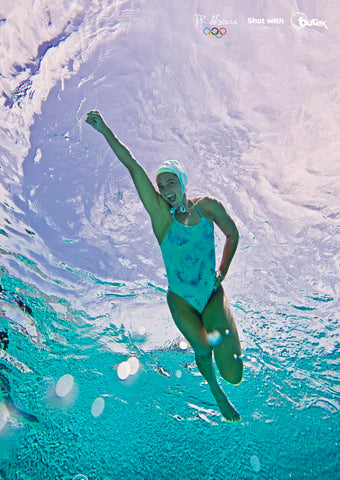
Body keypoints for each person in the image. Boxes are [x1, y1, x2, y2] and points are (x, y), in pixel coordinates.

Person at [86, 110, 243, 421]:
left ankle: (223, 374)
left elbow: (233, 234)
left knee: (234, 372)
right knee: (202, 351)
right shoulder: (161, 218)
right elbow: (132, 166)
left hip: (211, 294)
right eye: (161, 185)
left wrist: (223, 270)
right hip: (181, 301)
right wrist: (104, 130)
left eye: (171, 182)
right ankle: (216, 394)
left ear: (182, 182)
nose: (166, 189)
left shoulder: (207, 207)